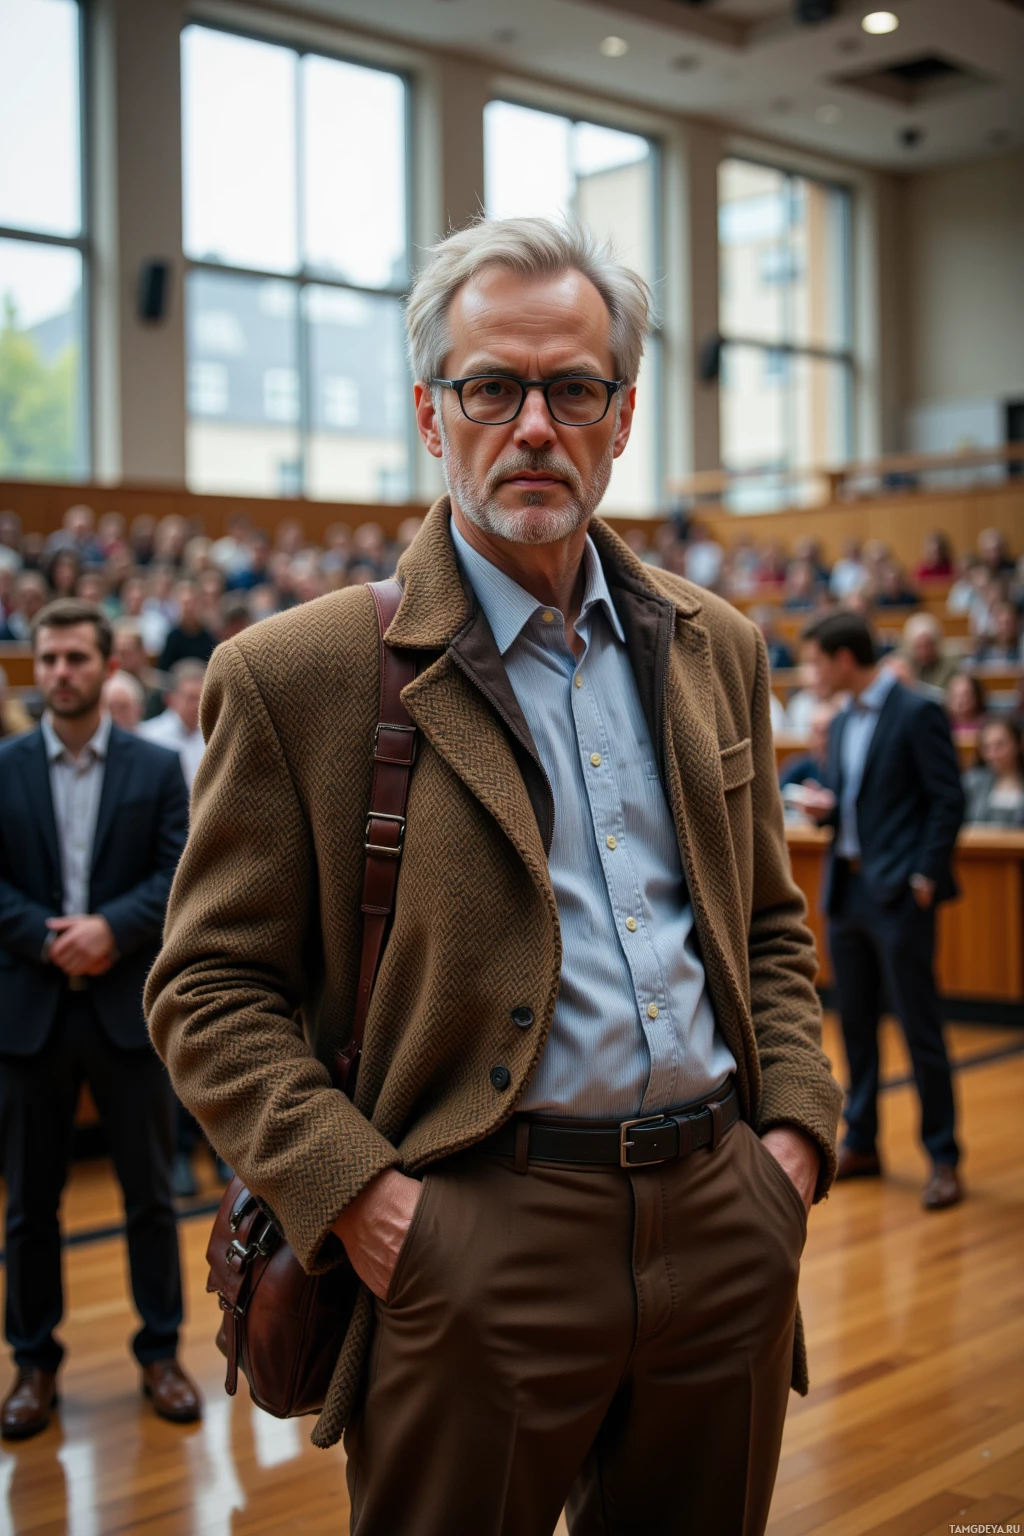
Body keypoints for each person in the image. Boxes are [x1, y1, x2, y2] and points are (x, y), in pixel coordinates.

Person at [147, 216, 841, 1536]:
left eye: (573, 387)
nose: (535, 425)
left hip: (724, 1215)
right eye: (492, 387)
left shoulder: (719, 646)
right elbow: (208, 993)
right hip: (473, 1238)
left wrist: (791, 1149)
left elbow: (768, 929)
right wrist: (367, 1203)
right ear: (430, 411)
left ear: (623, 416)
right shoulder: (298, 676)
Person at [0, 599, 201, 1439]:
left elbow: (180, 872)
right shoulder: (3, 766)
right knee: (27, 1208)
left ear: (105, 667)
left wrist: (109, 930)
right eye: (48, 660)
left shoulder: (154, 770)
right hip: (30, 1015)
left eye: (76, 658)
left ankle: (161, 1352)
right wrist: (49, 941)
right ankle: (33, 1366)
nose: (61, 674)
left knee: (151, 1197)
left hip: (128, 1013)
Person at [800, 610, 965, 1211]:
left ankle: (944, 1156)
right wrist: (829, 810)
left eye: (816, 661)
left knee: (921, 1031)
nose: (810, 674)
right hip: (848, 894)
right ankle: (864, 1141)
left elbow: (948, 799)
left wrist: (925, 876)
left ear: (845, 659)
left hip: (899, 895)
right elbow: (860, 803)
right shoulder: (841, 722)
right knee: (858, 1028)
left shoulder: (918, 710)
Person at [138, 660, 206, 792]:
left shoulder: (216, 734)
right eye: (191, 698)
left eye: (202, 698)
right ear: (170, 699)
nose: (198, 705)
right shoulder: (149, 735)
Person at [962, 716, 1024, 827]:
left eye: (1000, 745)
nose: (993, 753)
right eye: (987, 747)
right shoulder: (971, 782)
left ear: (1018, 744)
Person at [156, 580, 216, 673]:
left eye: (193, 603)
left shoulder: (209, 637)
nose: (189, 608)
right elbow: (164, 671)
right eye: (185, 603)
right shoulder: (172, 637)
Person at [902, 612, 959, 691]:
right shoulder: (906, 665)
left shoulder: (948, 668)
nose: (924, 652)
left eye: (928, 645)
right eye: (919, 646)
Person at [974, 599, 1023, 665]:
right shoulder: (984, 650)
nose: (1004, 628)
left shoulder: (1021, 649)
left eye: (1008, 623)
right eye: (1000, 623)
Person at [945, 671, 987, 744]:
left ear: (977, 696)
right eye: (955, 695)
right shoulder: (942, 725)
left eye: (966, 695)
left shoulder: (988, 724)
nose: (960, 700)